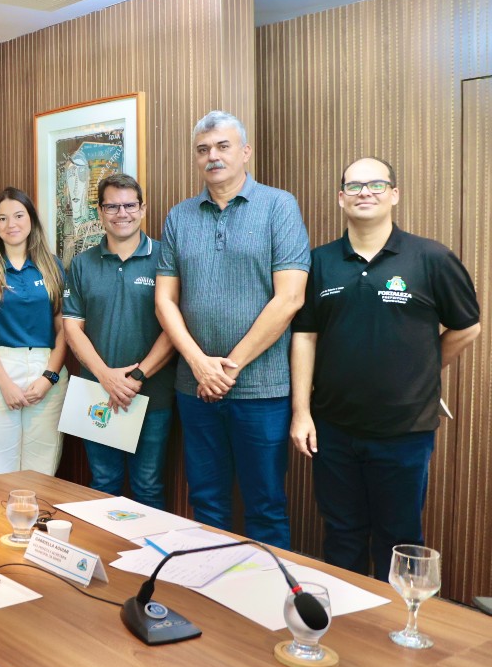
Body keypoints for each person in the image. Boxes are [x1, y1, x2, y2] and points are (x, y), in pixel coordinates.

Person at [291, 157, 481, 579]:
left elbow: (467, 327)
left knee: (400, 538)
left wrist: (425, 372)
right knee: (341, 534)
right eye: (354, 186)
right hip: (333, 431)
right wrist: (302, 412)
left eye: (376, 184)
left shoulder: (430, 257)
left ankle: (395, 635)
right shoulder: (320, 262)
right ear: (341, 198)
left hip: (404, 432)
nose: (365, 192)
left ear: (394, 194)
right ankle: (348, 628)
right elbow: (305, 337)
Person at [154, 110, 310, 549]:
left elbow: (290, 298)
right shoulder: (180, 217)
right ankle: (214, 600)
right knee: (206, 502)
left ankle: (270, 606)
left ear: (245, 152)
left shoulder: (279, 205)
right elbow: (165, 300)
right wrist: (200, 365)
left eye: (223, 147)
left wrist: (229, 367)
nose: (213, 156)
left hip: (262, 390)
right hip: (195, 388)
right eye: (203, 150)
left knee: (266, 504)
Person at [62, 173, 177, 508]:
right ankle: (107, 558)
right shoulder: (82, 264)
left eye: (129, 205)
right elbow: (72, 328)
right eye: (112, 206)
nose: (121, 213)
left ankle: (148, 561)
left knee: (149, 487)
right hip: (97, 394)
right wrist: (106, 377)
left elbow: (174, 329)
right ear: (100, 211)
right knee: (102, 485)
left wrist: (135, 377)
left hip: (151, 396)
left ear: (143, 209)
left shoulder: (165, 258)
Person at [0, 187, 68, 476]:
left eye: (18, 215)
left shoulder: (52, 265)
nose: (11, 225)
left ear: (31, 220)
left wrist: (49, 377)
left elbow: (64, 331)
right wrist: (5, 384)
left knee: (42, 470)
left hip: (45, 369)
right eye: (2, 219)